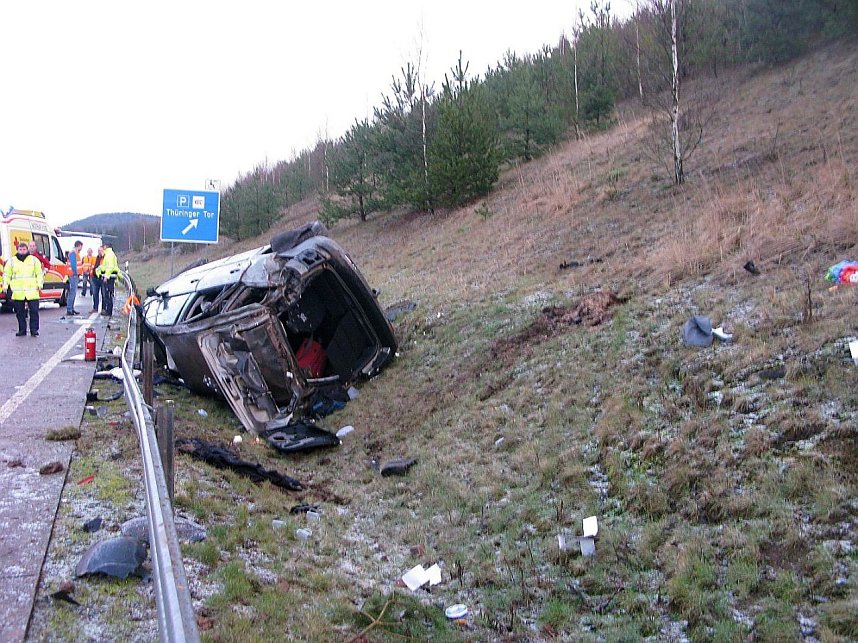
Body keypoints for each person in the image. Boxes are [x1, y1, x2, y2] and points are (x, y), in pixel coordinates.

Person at [3, 241, 44, 336]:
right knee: (20, 313)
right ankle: (22, 330)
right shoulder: (12, 261)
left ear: (27, 250)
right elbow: (7, 274)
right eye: (20, 249)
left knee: (34, 311)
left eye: (24, 249)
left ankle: (34, 330)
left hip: (32, 291)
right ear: (17, 250)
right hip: (18, 292)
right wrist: (5, 286)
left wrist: (40, 284)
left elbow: (39, 273)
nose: (22, 251)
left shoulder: (34, 260)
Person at [95, 242, 120, 316]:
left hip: (109, 278)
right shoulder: (109, 254)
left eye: (103, 247)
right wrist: (99, 269)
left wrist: (106, 276)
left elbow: (109, 267)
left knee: (108, 294)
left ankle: (108, 312)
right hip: (110, 277)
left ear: (106, 247)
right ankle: (108, 310)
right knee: (108, 294)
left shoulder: (109, 255)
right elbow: (106, 266)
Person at [65, 240, 83, 316]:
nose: (81, 248)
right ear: (79, 246)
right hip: (73, 275)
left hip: (74, 275)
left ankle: (71, 308)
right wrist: (76, 273)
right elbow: (73, 265)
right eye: (81, 246)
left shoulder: (75, 253)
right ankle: (69, 309)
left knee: (73, 292)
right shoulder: (73, 253)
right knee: (72, 292)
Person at [90, 246, 104, 313]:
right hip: (94, 278)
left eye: (101, 250)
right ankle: (95, 308)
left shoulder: (105, 259)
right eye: (98, 250)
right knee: (95, 293)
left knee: (104, 294)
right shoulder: (95, 258)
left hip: (102, 278)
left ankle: (104, 309)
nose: (99, 252)